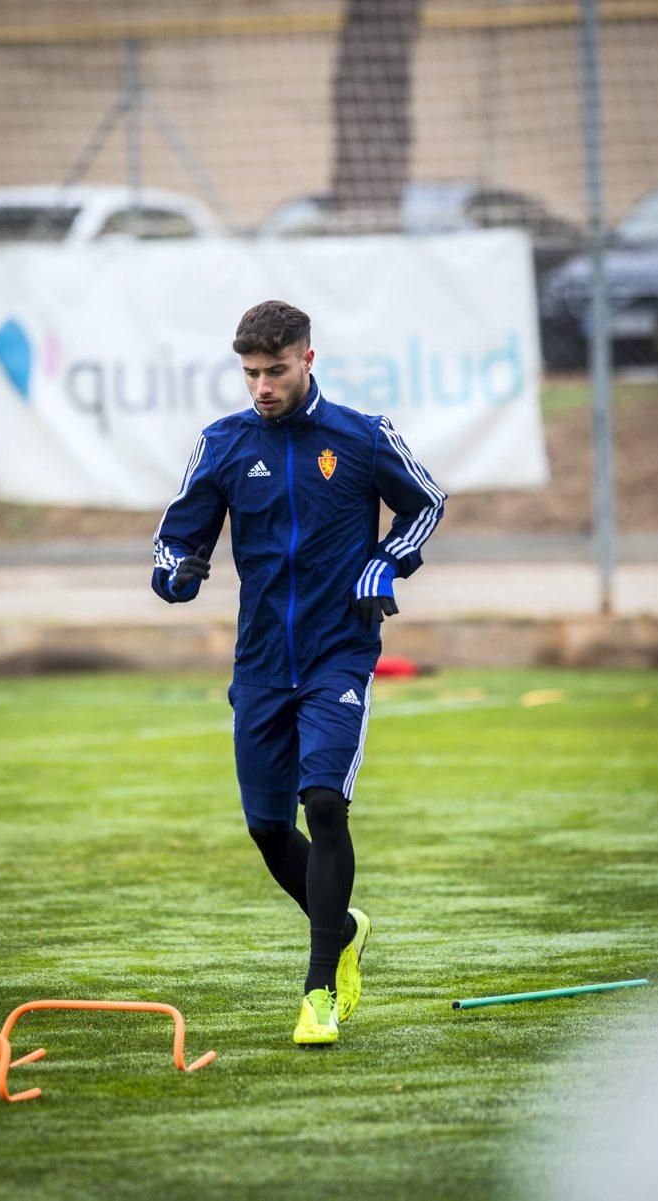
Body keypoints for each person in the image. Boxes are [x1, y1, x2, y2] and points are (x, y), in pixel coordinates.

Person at [152, 300, 445, 1046]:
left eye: (275, 370)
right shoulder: (222, 444)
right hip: (258, 664)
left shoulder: (361, 436)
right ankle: (345, 928)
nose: (261, 386)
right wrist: (175, 569)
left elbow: (428, 502)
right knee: (266, 829)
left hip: (338, 652)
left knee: (325, 801)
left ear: (307, 359)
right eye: (250, 372)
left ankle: (318, 989)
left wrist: (386, 562)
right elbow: (176, 537)